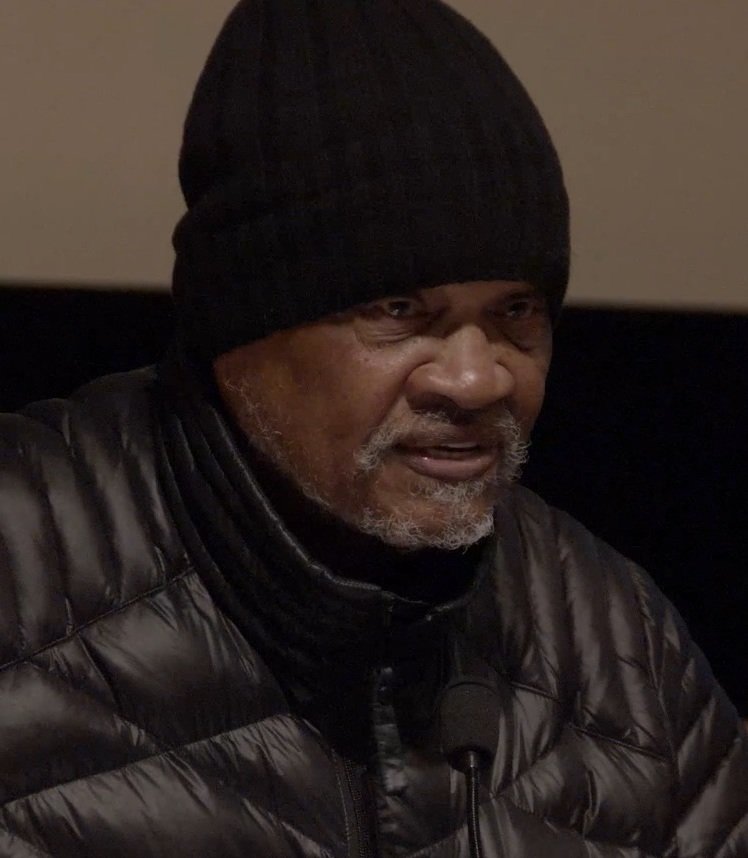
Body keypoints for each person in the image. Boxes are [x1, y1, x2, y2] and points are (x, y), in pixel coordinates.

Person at [1, 1, 746, 856]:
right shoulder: (21, 569)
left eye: (516, 312)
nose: (477, 378)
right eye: (399, 311)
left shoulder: (612, 634)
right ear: (237, 327)